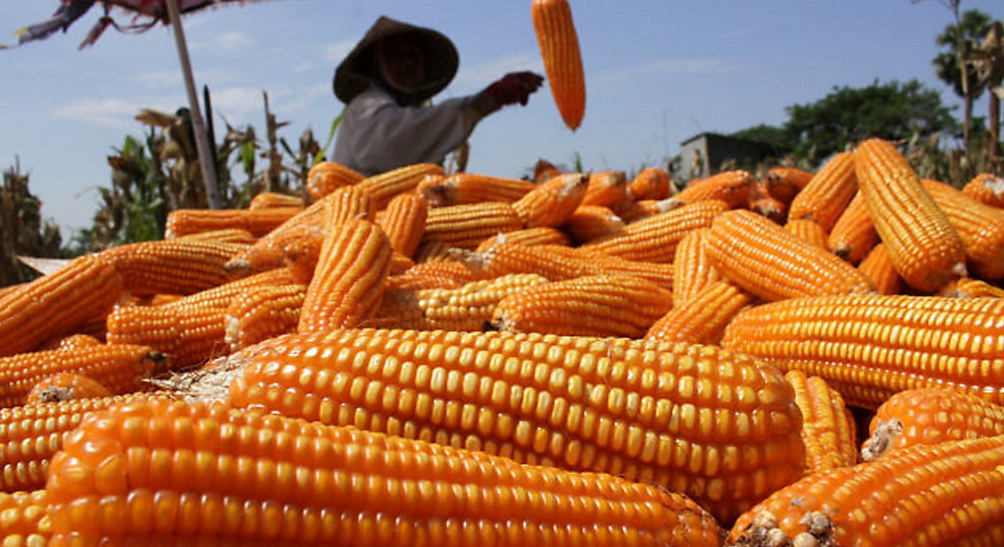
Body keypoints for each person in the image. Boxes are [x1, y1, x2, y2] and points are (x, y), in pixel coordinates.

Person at [332, 16, 544, 176]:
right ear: (375, 65)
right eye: (396, 56)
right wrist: (486, 100)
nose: (407, 63)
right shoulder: (366, 104)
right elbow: (395, 141)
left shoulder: (400, 107)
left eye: (413, 56)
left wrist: (488, 99)